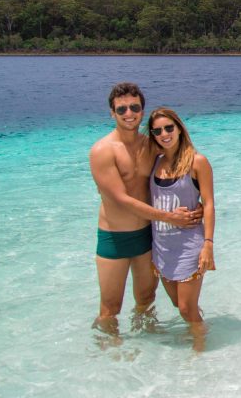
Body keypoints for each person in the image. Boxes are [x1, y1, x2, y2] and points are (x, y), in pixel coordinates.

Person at [89, 83, 201, 337]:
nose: (129, 113)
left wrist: (199, 203)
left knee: (146, 298)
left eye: (135, 107)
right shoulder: (102, 150)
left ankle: (145, 346)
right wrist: (170, 217)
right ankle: (110, 357)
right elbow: (121, 199)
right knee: (110, 307)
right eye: (122, 109)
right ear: (112, 113)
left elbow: (180, 171)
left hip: (147, 236)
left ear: (142, 111)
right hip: (115, 238)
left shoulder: (151, 146)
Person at [147, 107, 216, 351]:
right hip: (162, 247)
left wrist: (208, 244)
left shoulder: (197, 161)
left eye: (169, 127)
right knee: (180, 304)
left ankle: (200, 351)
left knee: (186, 309)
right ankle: (197, 326)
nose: (164, 133)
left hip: (189, 245)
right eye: (157, 130)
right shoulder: (155, 162)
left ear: (179, 129)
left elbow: (208, 204)